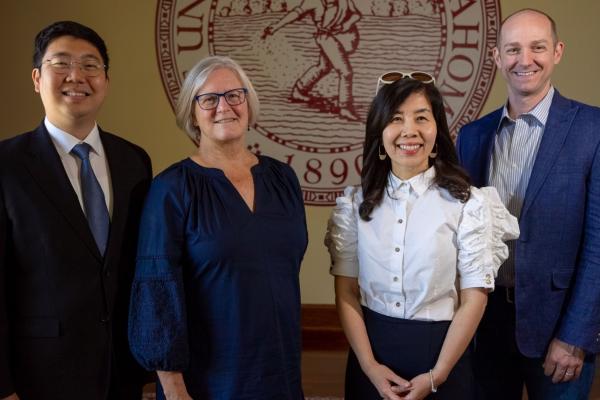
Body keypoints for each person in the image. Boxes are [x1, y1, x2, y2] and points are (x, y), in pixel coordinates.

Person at [326, 72, 519, 400]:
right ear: (380, 133)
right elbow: (346, 292)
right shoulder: (354, 206)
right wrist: (370, 366)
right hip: (370, 358)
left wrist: (437, 375)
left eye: (421, 118)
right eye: (396, 119)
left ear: (437, 130)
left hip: (442, 357)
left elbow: (474, 297)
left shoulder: (468, 204)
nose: (409, 131)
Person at [128, 55, 308, 400]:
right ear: (191, 113)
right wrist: (174, 389)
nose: (223, 106)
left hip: (280, 373)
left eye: (234, 95)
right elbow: (156, 295)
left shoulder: (283, 179)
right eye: (208, 99)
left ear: (248, 103)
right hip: (208, 382)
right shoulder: (172, 188)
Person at [0, 21, 152, 400]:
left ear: (106, 79)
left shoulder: (134, 161)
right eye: (61, 64)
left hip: (122, 371)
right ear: (37, 78)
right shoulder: (6, 164)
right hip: (38, 374)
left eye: (90, 65)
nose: (76, 76)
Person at [456, 8, 600, 400]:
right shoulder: (472, 137)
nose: (525, 60)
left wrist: (575, 335)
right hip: (484, 326)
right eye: (513, 49)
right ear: (497, 58)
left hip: (560, 330)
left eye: (537, 47)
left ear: (557, 52)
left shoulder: (593, 130)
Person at [262, 0, 361, 121]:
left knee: (323, 67)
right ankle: (345, 107)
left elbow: (356, 14)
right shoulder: (313, 2)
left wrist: (346, 25)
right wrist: (277, 26)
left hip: (343, 37)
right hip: (326, 38)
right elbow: (296, 13)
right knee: (345, 72)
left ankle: (299, 91)